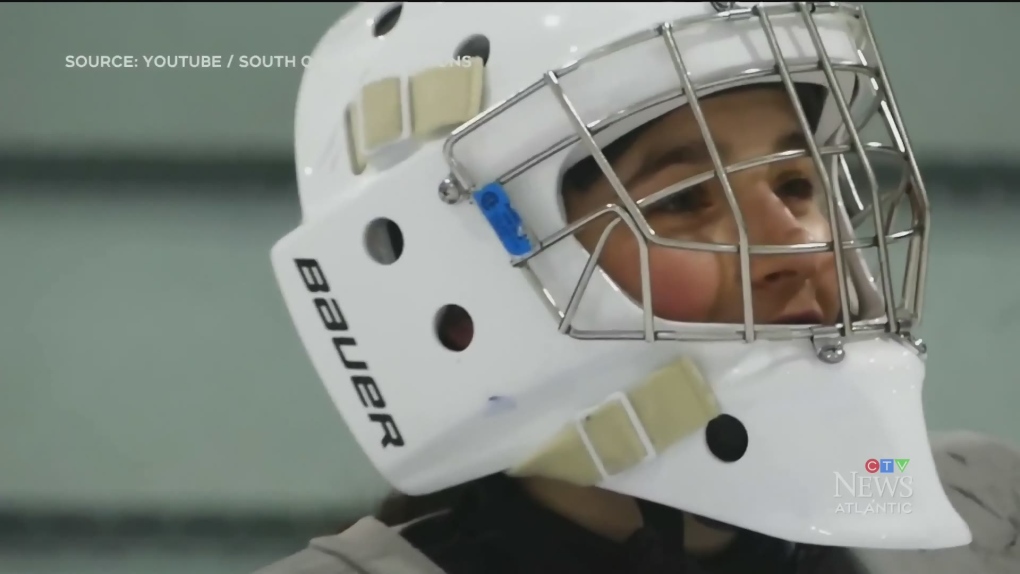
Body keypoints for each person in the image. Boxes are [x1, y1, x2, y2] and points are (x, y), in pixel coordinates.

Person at [257, 2, 1020, 573]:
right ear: (465, 282)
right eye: (685, 199)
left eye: (795, 180)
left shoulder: (985, 517)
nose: (802, 243)